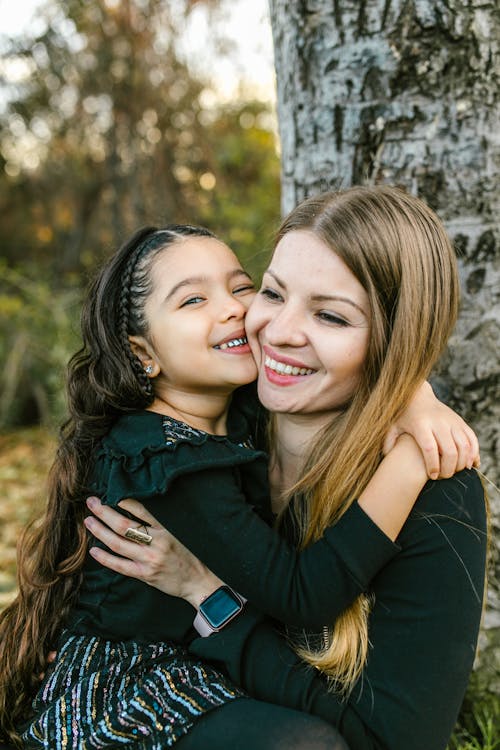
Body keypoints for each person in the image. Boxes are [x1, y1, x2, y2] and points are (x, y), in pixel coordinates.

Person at [0, 191, 482, 750]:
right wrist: (408, 453)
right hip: (133, 683)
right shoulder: (179, 449)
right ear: (143, 352)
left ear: (395, 339)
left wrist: (416, 397)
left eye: (329, 315)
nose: (273, 330)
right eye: (274, 293)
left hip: (203, 682)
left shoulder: (237, 412)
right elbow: (304, 595)